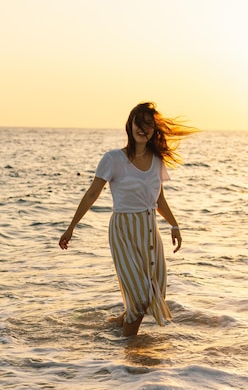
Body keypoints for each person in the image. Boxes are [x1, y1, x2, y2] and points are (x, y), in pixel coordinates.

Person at [59, 102, 196, 337]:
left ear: (154, 130)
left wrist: (174, 225)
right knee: (141, 296)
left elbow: (159, 198)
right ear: (130, 125)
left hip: (151, 232)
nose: (143, 129)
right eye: (139, 123)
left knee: (155, 293)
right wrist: (71, 227)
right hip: (124, 231)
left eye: (148, 125)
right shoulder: (113, 159)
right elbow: (92, 193)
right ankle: (128, 352)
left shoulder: (157, 160)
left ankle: (114, 328)